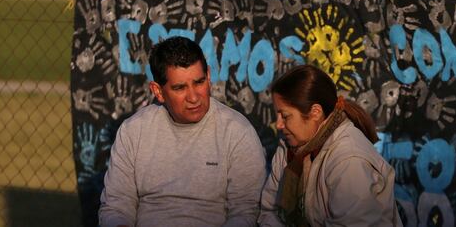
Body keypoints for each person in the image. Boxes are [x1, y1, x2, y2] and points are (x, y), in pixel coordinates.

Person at [99, 36, 266, 227]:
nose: (194, 97)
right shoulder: (133, 131)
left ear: (209, 76)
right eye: (180, 88)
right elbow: (116, 208)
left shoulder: (238, 132)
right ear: (158, 92)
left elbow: (247, 212)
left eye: (199, 82)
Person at [258, 64, 402, 227]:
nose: (278, 125)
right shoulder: (288, 150)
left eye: (285, 116)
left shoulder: (349, 159)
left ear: (315, 113)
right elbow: (269, 211)